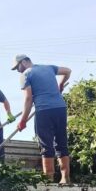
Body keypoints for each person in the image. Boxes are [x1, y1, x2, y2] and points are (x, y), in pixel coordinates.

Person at [11, 54, 72, 184]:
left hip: (44, 111)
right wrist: (60, 85)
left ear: (25, 62)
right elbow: (68, 71)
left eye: (18, 67)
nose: (18, 70)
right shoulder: (48, 68)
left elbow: (28, 99)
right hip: (60, 108)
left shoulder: (26, 74)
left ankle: (48, 180)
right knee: (61, 142)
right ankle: (65, 178)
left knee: (46, 145)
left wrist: (23, 121)